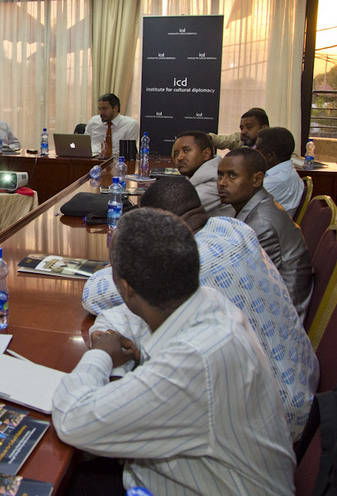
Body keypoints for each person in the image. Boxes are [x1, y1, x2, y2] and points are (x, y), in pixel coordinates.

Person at [54, 208, 294, 495]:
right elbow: (121, 318)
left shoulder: (195, 360)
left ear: (126, 289)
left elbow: (72, 419)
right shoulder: (206, 300)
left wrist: (100, 355)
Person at [82, 177, 318, 441]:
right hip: (306, 396)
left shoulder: (185, 262)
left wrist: (124, 259)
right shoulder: (235, 228)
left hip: (270, 427)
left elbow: (94, 294)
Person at [218, 148, 314, 321]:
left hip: (278, 319)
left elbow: (244, 286)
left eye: (232, 176)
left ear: (257, 179)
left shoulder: (262, 224)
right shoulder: (258, 206)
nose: (222, 183)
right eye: (220, 175)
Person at [171, 130, 234, 217]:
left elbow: (172, 211)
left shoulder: (216, 182)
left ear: (206, 154)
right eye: (176, 154)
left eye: (186, 150)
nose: (179, 157)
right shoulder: (201, 176)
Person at [255, 126, 304, 217]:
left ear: (270, 156)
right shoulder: (282, 172)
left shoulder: (279, 180)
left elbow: (244, 202)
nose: (254, 152)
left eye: (257, 149)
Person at [83, 93, 138, 158]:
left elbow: (129, 152)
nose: (101, 112)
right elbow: (84, 145)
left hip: (117, 160)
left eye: (105, 109)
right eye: (99, 109)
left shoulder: (130, 124)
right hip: (93, 159)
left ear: (116, 108)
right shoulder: (93, 121)